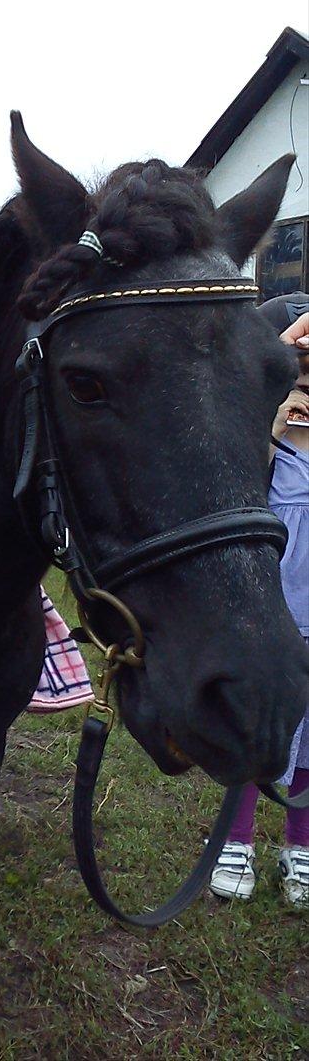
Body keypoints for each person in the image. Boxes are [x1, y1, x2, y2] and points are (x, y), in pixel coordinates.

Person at [210, 295, 309, 907]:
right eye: (293, 382)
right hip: (265, 624)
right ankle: (235, 841)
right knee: (255, 735)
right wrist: (270, 432)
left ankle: (301, 848)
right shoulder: (262, 455)